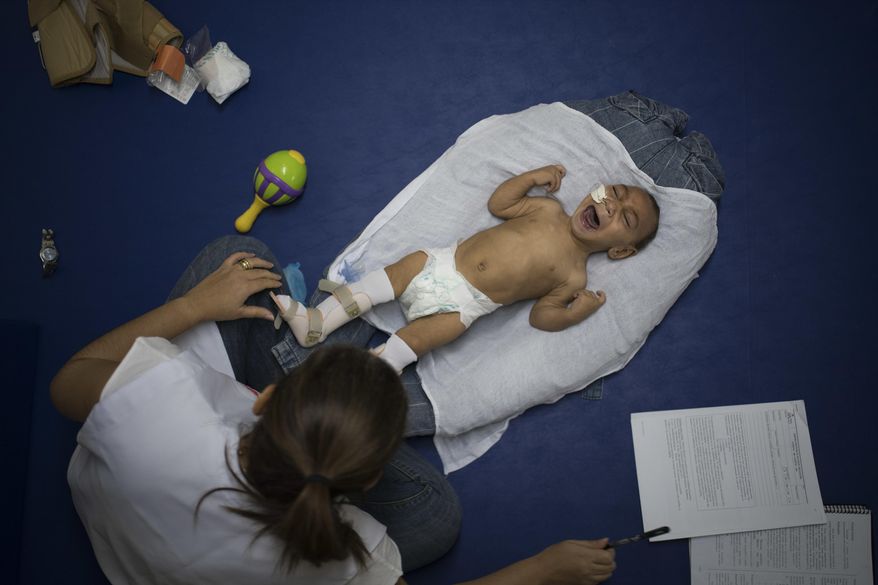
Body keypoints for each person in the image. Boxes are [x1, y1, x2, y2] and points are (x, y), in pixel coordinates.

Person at [51, 235, 616, 585]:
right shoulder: (354, 559)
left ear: (266, 400)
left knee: (235, 258)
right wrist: (542, 573)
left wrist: (192, 308)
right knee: (437, 518)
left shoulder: (160, 396)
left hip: (123, 517)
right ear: (367, 482)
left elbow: (67, 384)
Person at [273, 165, 660, 372]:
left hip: (465, 306)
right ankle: (317, 321)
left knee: (433, 334)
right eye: (615, 194)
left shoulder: (575, 276)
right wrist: (531, 178)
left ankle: (380, 368)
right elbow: (500, 204)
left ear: (620, 252)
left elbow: (542, 317)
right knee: (397, 271)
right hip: (440, 262)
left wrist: (578, 311)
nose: (610, 206)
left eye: (625, 219)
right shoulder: (547, 208)